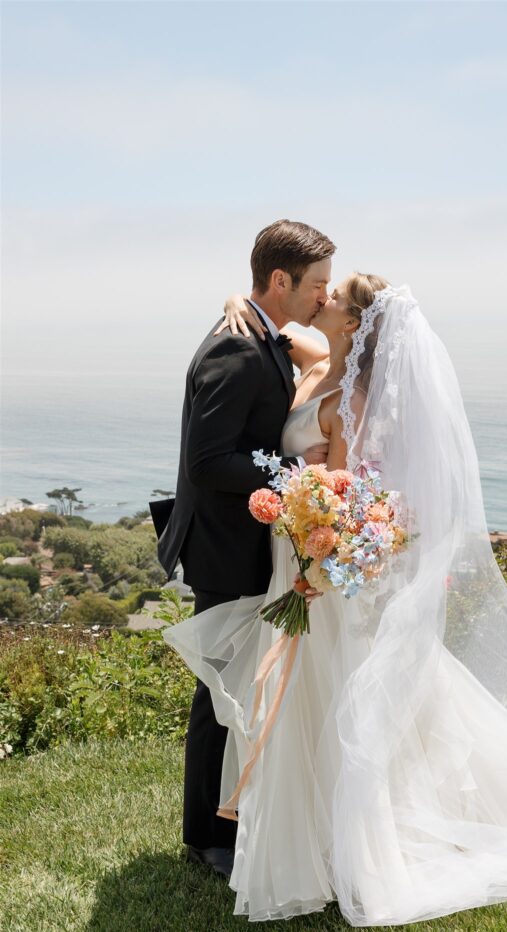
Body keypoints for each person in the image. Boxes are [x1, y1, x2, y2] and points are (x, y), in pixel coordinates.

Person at [163, 279, 507, 927]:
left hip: (315, 564)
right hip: (290, 554)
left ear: (352, 322)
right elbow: (272, 325)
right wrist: (231, 300)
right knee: (313, 696)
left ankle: (343, 840)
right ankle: (284, 828)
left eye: (332, 293)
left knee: (329, 695)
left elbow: (351, 496)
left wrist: (314, 530)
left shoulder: (351, 398)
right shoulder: (317, 359)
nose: (318, 295)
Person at [154, 220, 334, 879]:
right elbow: (208, 463)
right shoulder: (235, 347)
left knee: (239, 688)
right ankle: (208, 836)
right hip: (227, 548)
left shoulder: (264, 330)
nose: (326, 294)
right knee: (219, 690)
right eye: (316, 284)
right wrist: (295, 478)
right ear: (280, 281)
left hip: (250, 545)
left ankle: (231, 818)